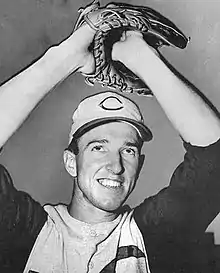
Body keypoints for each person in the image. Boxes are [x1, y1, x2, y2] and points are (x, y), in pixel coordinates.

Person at [0, 9, 220, 273]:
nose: (115, 165)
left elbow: (215, 160)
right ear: (71, 162)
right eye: (98, 147)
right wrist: (65, 57)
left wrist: (141, 58)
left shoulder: (152, 235)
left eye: (128, 150)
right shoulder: (26, 232)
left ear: (140, 163)